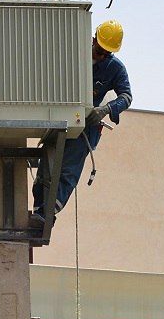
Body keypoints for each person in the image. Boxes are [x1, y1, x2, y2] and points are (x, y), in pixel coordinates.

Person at [30, 19, 132, 229]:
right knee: (45, 170)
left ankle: (47, 214)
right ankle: (39, 211)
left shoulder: (114, 68)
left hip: (86, 128)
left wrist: (106, 109)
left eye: (106, 53)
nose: (101, 55)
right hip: (59, 119)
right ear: (94, 39)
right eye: (99, 49)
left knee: (67, 171)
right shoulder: (75, 52)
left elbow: (127, 96)